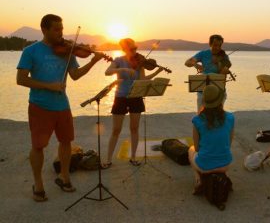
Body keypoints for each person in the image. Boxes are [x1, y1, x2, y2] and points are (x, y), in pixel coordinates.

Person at [16, 14, 105, 201]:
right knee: (38, 146)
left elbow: (75, 75)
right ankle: (38, 183)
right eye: (56, 29)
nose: (61, 33)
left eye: (62, 29)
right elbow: (21, 79)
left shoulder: (68, 50)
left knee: (66, 142)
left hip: (62, 105)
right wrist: (50, 86)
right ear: (44, 29)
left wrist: (93, 61)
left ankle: (64, 176)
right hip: (40, 106)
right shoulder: (31, 51)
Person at [102, 38, 163, 168]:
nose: (135, 51)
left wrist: (157, 72)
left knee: (134, 128)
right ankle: (108, 159)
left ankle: (133, 157)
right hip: (121, 97)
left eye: (135, 48)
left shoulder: (139, 62)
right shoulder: (118, 60)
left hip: (136, 96)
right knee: (116, 130)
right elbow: (107, 72)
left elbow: (143, 79)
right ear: (124, 48)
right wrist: (121, 70)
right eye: (131, 49)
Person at [188, 85, 234, 194]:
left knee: (190, 150)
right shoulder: (230, 117)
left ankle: (199, 180)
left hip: (204, 166)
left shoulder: (197, 120)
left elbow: (198, 148)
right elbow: (229, 143)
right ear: (220, 100)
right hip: (226, 164)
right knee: (221, 150)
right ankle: (223, 176)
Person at [184, 34, 232, 111]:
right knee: (201, 114)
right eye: (215, 45)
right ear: (210, 44)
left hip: (218, 91)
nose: (217, 48)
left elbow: (224, 74)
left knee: (218, 116)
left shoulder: (224, 56)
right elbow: (187, 63)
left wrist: (222, 68)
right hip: (203, 91)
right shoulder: (203, 53)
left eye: (219, 46)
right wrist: (195, 65)